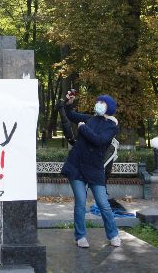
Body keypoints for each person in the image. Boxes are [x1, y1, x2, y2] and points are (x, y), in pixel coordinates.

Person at [58, 90, 122, 248]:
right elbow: (70, 114)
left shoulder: (112, 127)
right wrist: (69, 102)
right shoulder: (90, 119)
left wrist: (83, 128)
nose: (98, 105)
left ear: (109, 107)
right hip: (77, 166)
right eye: (98, 102)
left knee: (103, 204)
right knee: (80, 202)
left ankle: (113, 235)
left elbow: (99, 141)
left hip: (94, 169)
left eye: (102, 103)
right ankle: (80, 236)